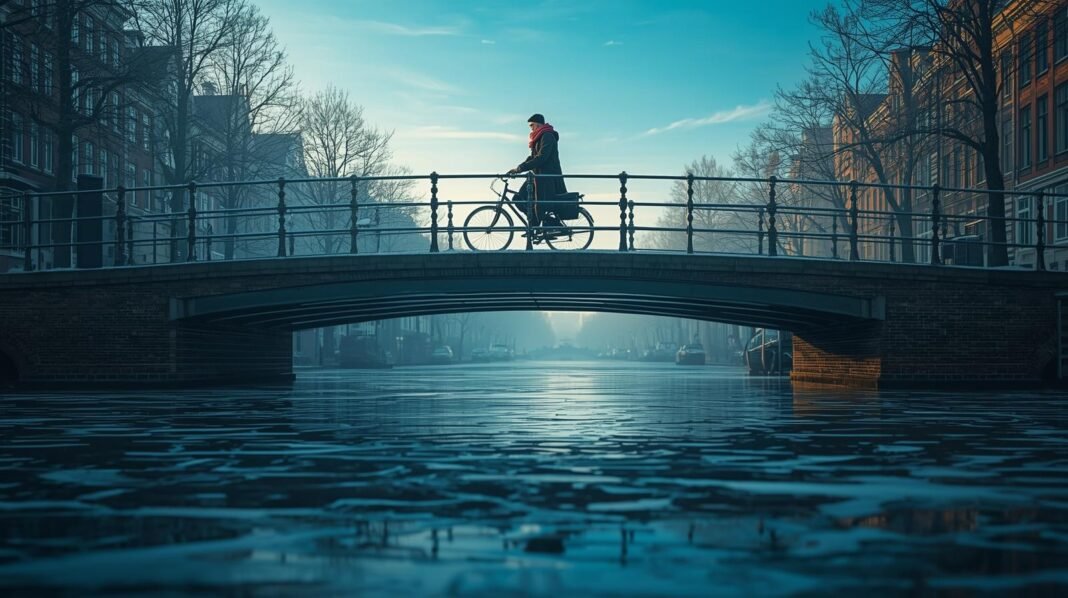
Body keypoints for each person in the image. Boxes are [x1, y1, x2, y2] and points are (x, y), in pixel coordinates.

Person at [506, 113, 568, 230]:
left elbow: (541, 157)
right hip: (538, 176)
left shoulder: (547, 136)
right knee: (519, 198)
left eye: (532, 125)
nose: (531, 128)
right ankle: (535, 226)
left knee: (540, 206)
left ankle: (550, 224)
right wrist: (518, 168)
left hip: (547, 178)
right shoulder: (539, 137)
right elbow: (533, 157)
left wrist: (521, 168)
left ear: (538, 124)